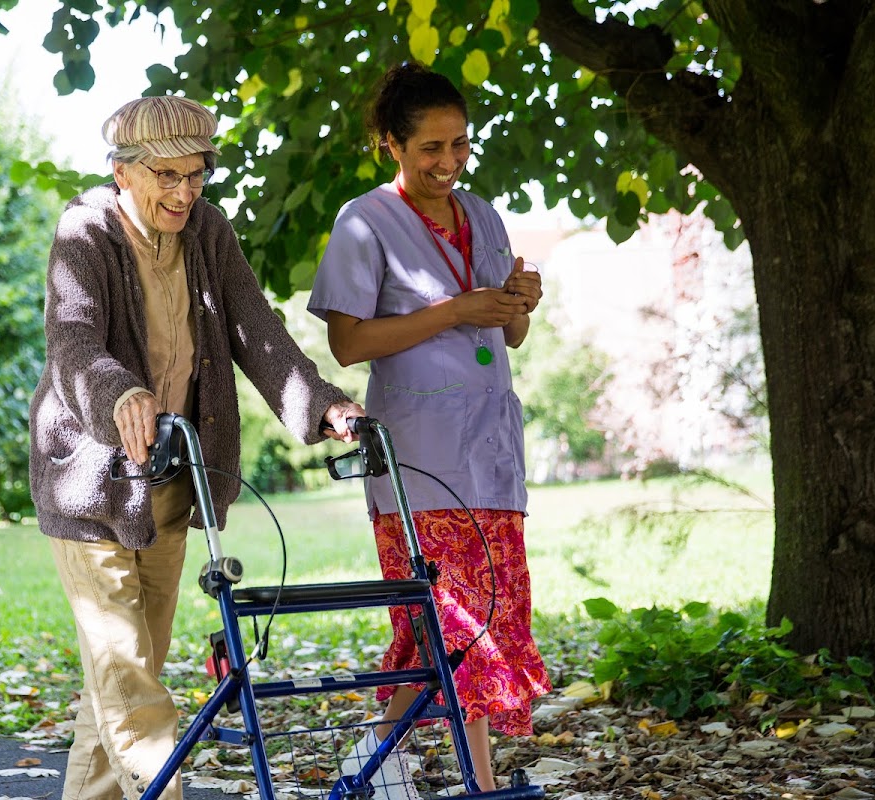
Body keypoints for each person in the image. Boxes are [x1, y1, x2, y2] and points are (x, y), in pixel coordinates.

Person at [29, 94, 365, 800]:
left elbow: (257, 332)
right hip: (91, 484)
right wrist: (119, 391)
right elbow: (73, 340)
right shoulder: (85, 232)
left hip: (172, 485)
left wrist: (322, 403)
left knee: (124, 676)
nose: (185, 192)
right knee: (125, 672)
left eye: (197, 176)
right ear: (124, 172)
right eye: (167, 176)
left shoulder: (207, 232)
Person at [308, 63, 551, 796]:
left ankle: (367, 773)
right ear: (392, 145)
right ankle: (479, 784)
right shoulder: (363, 222)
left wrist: (520, 302)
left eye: (460, 146)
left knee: (453, 630)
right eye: (430, 149)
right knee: (453, 626)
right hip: (417, 459)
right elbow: (348, 343)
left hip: (489, 453)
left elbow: (511, 337)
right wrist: (453, 310)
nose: (448, 163)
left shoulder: (483, 215)